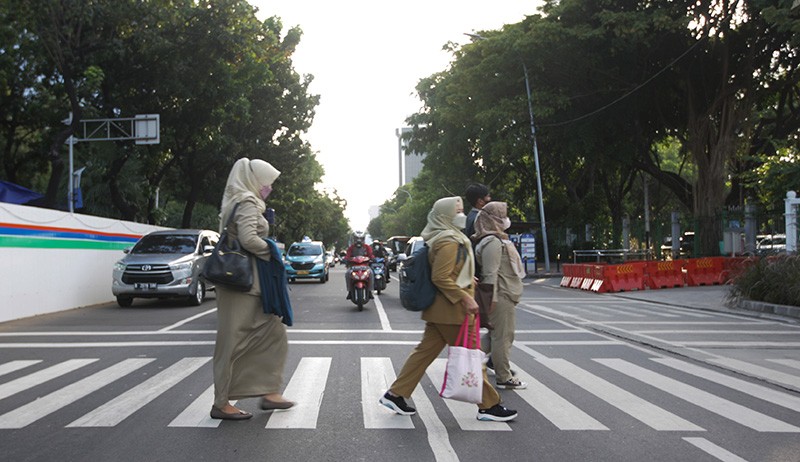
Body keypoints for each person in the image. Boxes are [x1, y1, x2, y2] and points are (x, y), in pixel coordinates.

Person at [379, 196, 518, 422]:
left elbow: (449, 271)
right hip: (453, 312)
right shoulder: (449, 241)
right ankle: (489, 405)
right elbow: (441, 277)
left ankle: (396, 394)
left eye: (462, 210)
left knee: (423, 354)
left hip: (441, 311)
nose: (462, 215)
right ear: (445, 216)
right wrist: (465, 297)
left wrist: (466, 277)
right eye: (457, 211)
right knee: (471, 356)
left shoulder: (445, 236)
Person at [211, 157, 294, 420]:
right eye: (267, 182)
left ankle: (269, 391)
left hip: (250, 284)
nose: (269, 187)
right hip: (241, 284)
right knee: (231, 342)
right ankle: (221, 403)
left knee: (273, 333)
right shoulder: (246, 201)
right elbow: (248, 239)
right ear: (254, 180)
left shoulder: (238, 199)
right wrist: (272, 251)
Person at [472, 201, 527, 390]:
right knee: (503, 337)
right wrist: (492, 299)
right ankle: (504, 377)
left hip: (506, 293)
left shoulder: (497, 239)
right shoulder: (492, 242)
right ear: (492, 219)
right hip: (501, 294)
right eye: (502, 216)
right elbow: (490, 273)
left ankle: (468, 358)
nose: (506, 220)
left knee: (496, 336)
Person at [345, 231, 374, 299]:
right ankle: (349, 291)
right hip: (353, 266)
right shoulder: (351, 247)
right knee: (347, 274)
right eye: (357, 238)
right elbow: (347, 255)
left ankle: (369, 291)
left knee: (371, 274)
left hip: (365, 266)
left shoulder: (367, 247)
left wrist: (373, 258)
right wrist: (346, 259)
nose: (359, 240)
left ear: (363, 239)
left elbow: (370, 255)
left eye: (361, 239)